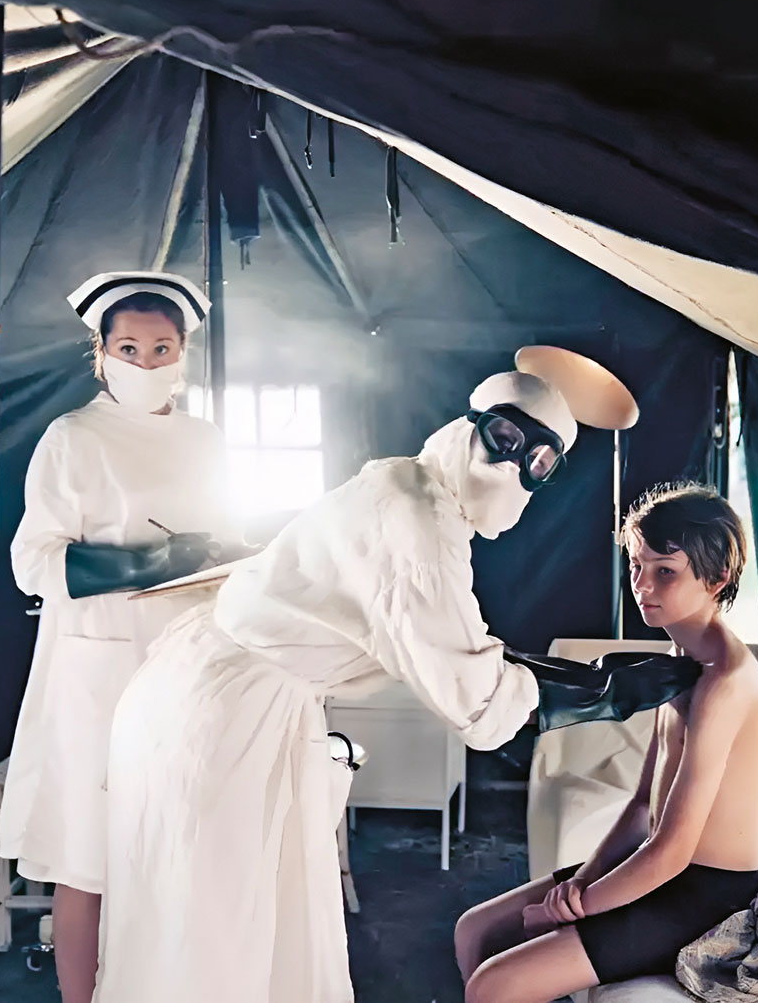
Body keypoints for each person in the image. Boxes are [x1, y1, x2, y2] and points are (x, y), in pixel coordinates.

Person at [93, 355, 688, 1003]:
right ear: (470, 423)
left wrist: (593, 677)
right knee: (216, 934)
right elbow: (481, 704)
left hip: (220, 691)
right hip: (222, 716)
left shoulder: (404, 485)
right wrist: (614, 692)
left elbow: (471, 655)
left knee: (248, 923)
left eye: (538, 462)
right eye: (505, 438)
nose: (512, 466)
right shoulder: (417, 524)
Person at [0, 270, 249, 1003]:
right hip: (97, 675)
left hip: (189, 665)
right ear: (101, 355)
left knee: (177, 850)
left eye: (161, 347)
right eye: (129, 348)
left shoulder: (204, 441)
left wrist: (238, 559)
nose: (145, 361)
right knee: (91, 858)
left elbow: (223, 541)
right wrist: (140, 563)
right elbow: (31, 562)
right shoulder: (73, 437)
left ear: (183, 353)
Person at [454, 482, 758, 1003]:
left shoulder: (725, 684)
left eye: (665, 571)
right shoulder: (680, 660)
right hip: (662, 868)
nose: (642, 584)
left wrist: (579, 908)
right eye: (636, 564)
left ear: (717, 578)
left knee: (495, 985)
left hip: (703, 893)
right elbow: (641, 805)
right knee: (475, 929)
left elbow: (672, 851)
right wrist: (579, 884)